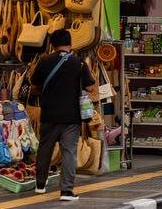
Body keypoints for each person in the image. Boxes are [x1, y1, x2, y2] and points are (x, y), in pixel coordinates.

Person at [30, 29, 95, 201]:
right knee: (68, 153)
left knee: (45, 150)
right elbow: (90, 88)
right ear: (70, 44)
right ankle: (66, 191)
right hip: (71, 116)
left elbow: (34, 85)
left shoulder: (44, 61)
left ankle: (40, 185)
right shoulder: (79, 63)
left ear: (52, 45)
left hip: (49, 114)